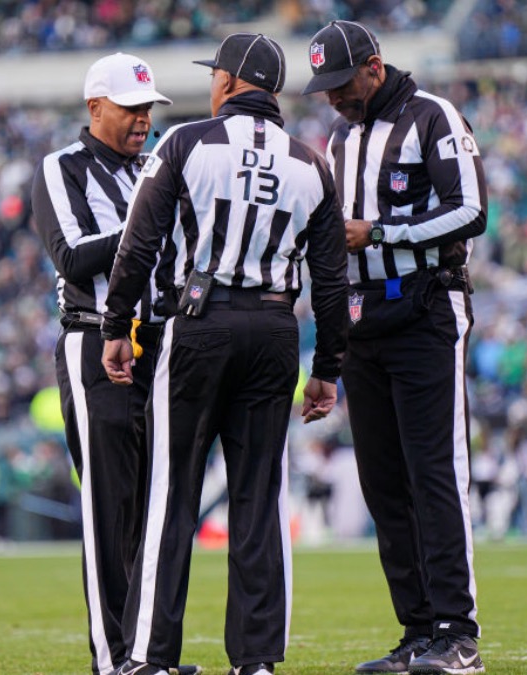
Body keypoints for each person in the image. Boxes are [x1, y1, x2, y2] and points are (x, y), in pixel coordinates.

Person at [101, 32, 349, 675]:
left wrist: (115, 324)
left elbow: (137, 245)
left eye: (216, 75)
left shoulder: (185, 142)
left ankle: (151, 659)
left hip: (198, 323)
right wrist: (326, 370)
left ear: (232, 82)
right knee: (259, 499)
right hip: (273, 331)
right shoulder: (312, 163)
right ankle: (258, 659)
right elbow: (331, 280)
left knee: (171, 495)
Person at [301, 20, 487, 675]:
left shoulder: (432, 116)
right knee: (383, 481)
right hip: (365, 320)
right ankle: (417, 628)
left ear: (374, 67)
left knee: (435, 470)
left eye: (342, 84)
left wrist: (379, 232)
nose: (334, 98)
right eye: (324, 88)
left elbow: (471, 211)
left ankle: (457, 632)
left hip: (428, 308)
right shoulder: (342, 136)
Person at [29, 52, 196, 675]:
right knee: (109, 505)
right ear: (94, 106)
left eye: (148, 109)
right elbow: (71, 258)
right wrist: (147, 217)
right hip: (94, 340)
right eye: (130, 108)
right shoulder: (61, 168)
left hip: (159, 343)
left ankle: (149, 652)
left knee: (155, 506)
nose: (142, 121)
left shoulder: (154, 168)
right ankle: (113, 657)